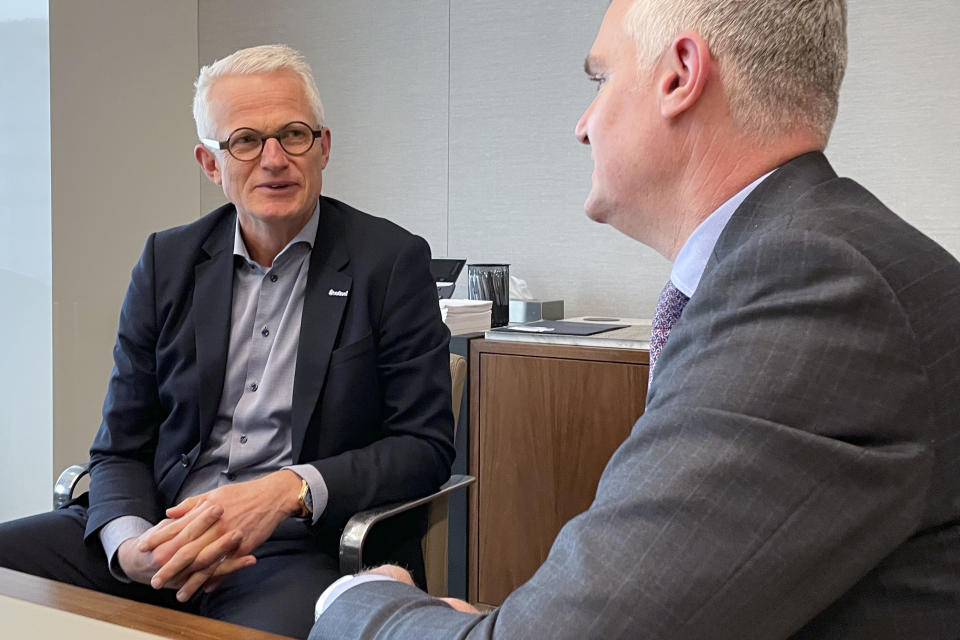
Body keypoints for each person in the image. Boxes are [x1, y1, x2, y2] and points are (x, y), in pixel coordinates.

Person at [309, 1, 960, 638]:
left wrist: (358, 600)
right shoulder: (799, 259)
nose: (583, 124)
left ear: (679, 75)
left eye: (600, 78)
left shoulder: (811, 289)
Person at [0, 44, 455, 638]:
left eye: (293, 134)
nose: (273, 160)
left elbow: (424, 446)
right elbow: (119, 446)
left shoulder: (388, 262)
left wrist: (287, 490)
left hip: (291, 550)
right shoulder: (168, 261)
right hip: (162, 528)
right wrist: (131, 547)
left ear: (322, 146)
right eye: (245, 140)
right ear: (211, 164)